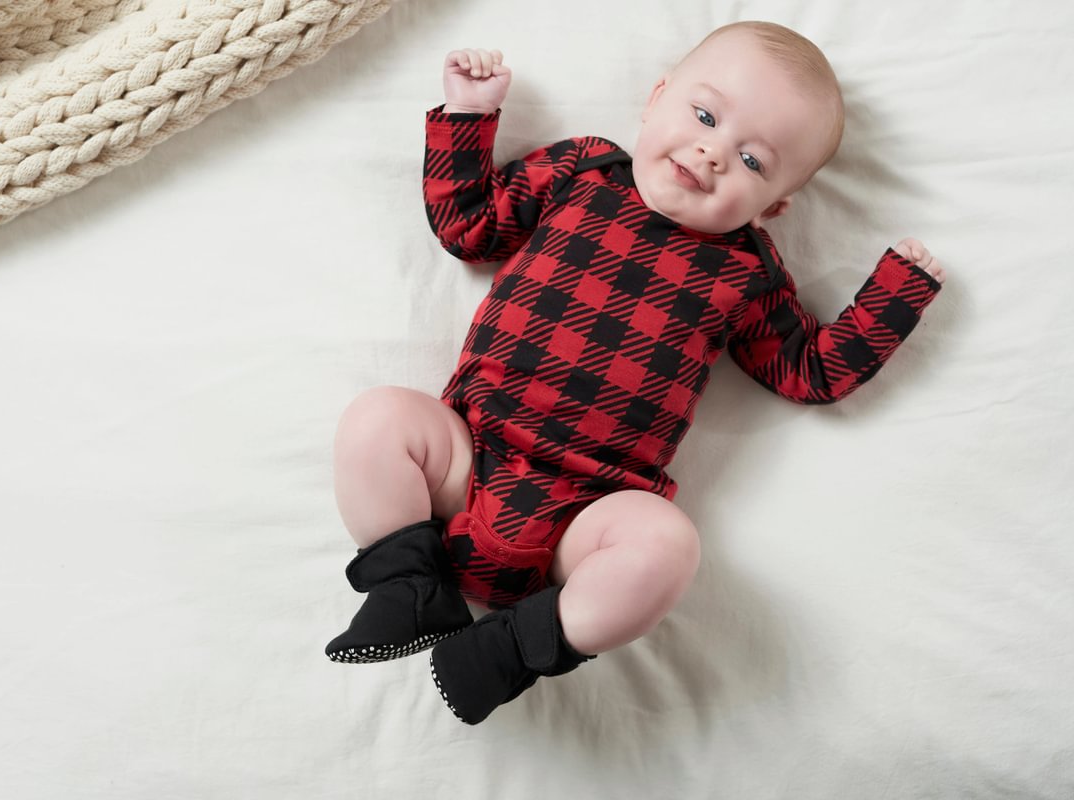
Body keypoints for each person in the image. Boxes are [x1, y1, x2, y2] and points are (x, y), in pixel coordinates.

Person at [325, 21, 946, 725]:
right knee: (378, 420)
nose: (713, 153)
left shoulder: (749, 274)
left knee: (667, 547)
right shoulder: (581, 172)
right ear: (656, 98)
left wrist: (895, 298)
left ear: (774, 207)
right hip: (467, 459)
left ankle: (509, 650)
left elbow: (812, 372)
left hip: (585, 522)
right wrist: (468, 114)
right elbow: (468, 226)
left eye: (752, 160)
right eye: (705, 117)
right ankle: (407, 586)